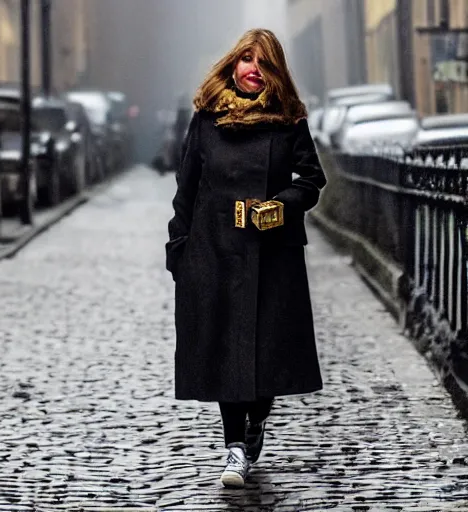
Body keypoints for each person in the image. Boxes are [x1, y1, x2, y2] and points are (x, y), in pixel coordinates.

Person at [165, 28, 327, 488]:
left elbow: (312, 179)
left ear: (275, 73)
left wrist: (279, 206)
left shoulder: (288, 120)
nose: (253, 69)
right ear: (233, 65)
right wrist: (179, 249)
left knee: (266, 356)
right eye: (247, 60)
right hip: (214, 252)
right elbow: (187, 187)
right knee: (225, 352)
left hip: (272, 255)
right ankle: (234, 447)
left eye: (264, 63)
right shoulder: (207, 119)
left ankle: (256, 424)